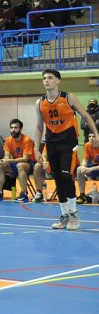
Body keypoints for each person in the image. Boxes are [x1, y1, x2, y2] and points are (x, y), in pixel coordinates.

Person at [35, 69, 99, 230]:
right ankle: (64, 215)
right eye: (44, 78)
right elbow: (38, 127)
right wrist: (37, 148)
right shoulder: (40, 102)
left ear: (58, 81)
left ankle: (74, 213)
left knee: (65, 176)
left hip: (68, 143)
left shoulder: (68, 98)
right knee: (56, 178)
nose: (46, 81)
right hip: (51, 143)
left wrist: (96, 133)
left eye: (50, 78)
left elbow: (86, 116)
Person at [0, 119, 36, 202]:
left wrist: (9, 161)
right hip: (15, 163)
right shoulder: (8, 140)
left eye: (16, 127)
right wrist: (4, 160)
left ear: (20, 129)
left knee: (20, 165)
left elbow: (25, 159)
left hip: (29, 165)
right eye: (11, 127)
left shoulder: (27, 140)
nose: (13, 129)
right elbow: (6, 156)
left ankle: (23, 194)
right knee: (0, 165)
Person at [75, 132, 99, 204]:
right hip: (95, 167)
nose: (91, 138)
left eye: (93, 136)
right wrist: (83, 167)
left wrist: (90, 169)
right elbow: (85, 160)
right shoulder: (87, 145)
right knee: (79, 169)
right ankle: (82, 195)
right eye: (90, 136)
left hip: (95, 168)